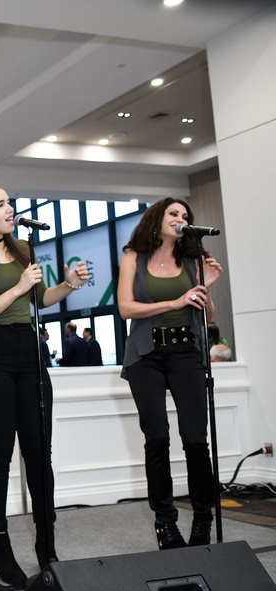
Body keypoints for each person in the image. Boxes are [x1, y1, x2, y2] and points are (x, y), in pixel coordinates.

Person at [0, 180, 89, 587]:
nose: (11, 208)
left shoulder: (24, 250)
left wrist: (69, 286)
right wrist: (18, 287)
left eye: (10, 202)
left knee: (38, 453)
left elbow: (41, 299)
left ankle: (47, 545)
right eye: (2, 203)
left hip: (28, 354)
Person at [117, 197, 223, 550]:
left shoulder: (193, 260)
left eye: (185, 215)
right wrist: (174, 302)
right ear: (157, 219)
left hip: (186, 353)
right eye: (174, 214)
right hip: (146, 354)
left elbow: (207, 319)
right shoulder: (134, 257)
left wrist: (207, 289)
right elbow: (125, 308)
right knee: (157, 437)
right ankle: (165, 521)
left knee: (195, 439)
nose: (181, 219)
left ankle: (203, 516)